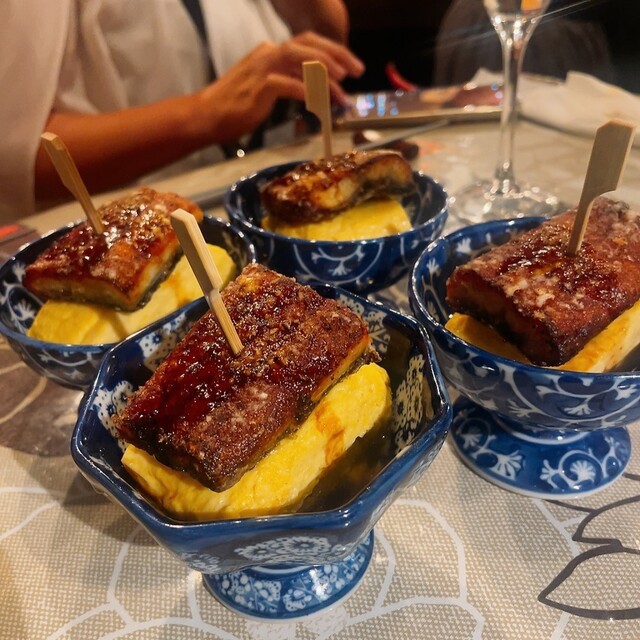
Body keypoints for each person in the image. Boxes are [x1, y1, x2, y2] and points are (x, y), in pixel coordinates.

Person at [0, 0, 364, 222]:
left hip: (259, 206)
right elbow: (16, 155)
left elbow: (329, 54)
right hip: (125, 231)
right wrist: (205, 115)